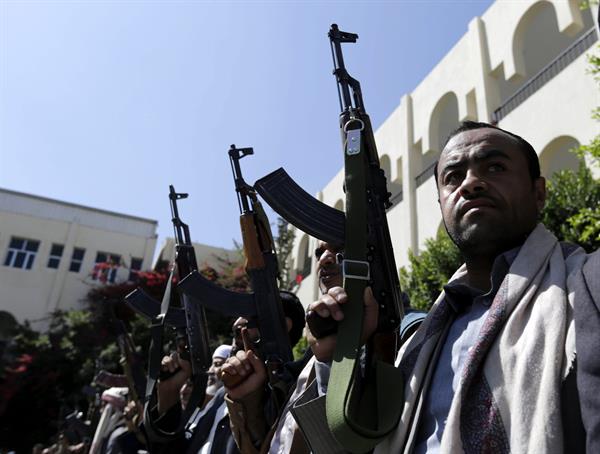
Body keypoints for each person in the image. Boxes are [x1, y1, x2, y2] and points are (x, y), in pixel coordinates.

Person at [294, 121, 599, 453]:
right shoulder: (416, 345)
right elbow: (341, 448)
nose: (470, 183)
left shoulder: (587, 286)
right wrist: (339, 359)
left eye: (495, 167)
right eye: (453, 177)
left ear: (538, 193)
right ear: (441, 205)